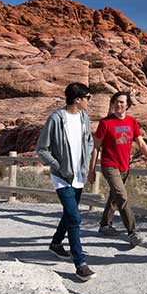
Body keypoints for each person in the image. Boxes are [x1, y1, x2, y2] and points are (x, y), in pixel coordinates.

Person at [36, 82, 96, 281]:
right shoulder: (56, 119)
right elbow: (42, 148)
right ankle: (80, 263)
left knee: (70, 215)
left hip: (78, 176)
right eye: (88, 97)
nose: (90, 101)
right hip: (61, 177)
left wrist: (86, 163)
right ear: (78, 99)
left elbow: (88, 141)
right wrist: (57, 165)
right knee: (75, 218)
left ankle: (55, 244)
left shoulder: (84, 117)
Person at [88, 90, 147, 247]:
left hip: (124, 166)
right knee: (122, 196)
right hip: (109, 164)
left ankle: (105, 225)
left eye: (121, 102)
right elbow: (96, 148)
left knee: (115, 196)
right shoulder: (105, 123)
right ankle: (133, 231)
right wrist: (91, 170)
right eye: (116, 102)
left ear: (127, 105)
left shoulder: (132, 122)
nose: (118, 105)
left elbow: (141, 143)